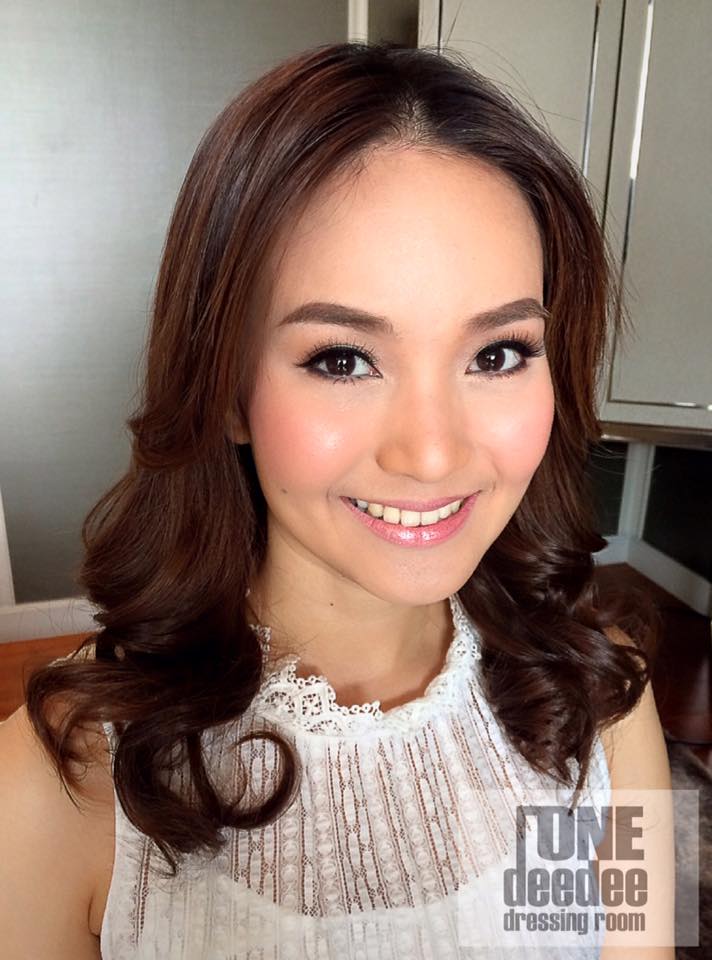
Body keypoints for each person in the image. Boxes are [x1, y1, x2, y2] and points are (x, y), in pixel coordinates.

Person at [0, 41, 674, 959]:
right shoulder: (58, 792)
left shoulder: (595, 699)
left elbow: (620, 944)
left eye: (498, 353)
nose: (431, 453)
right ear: (227, 391)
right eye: (343, 360)